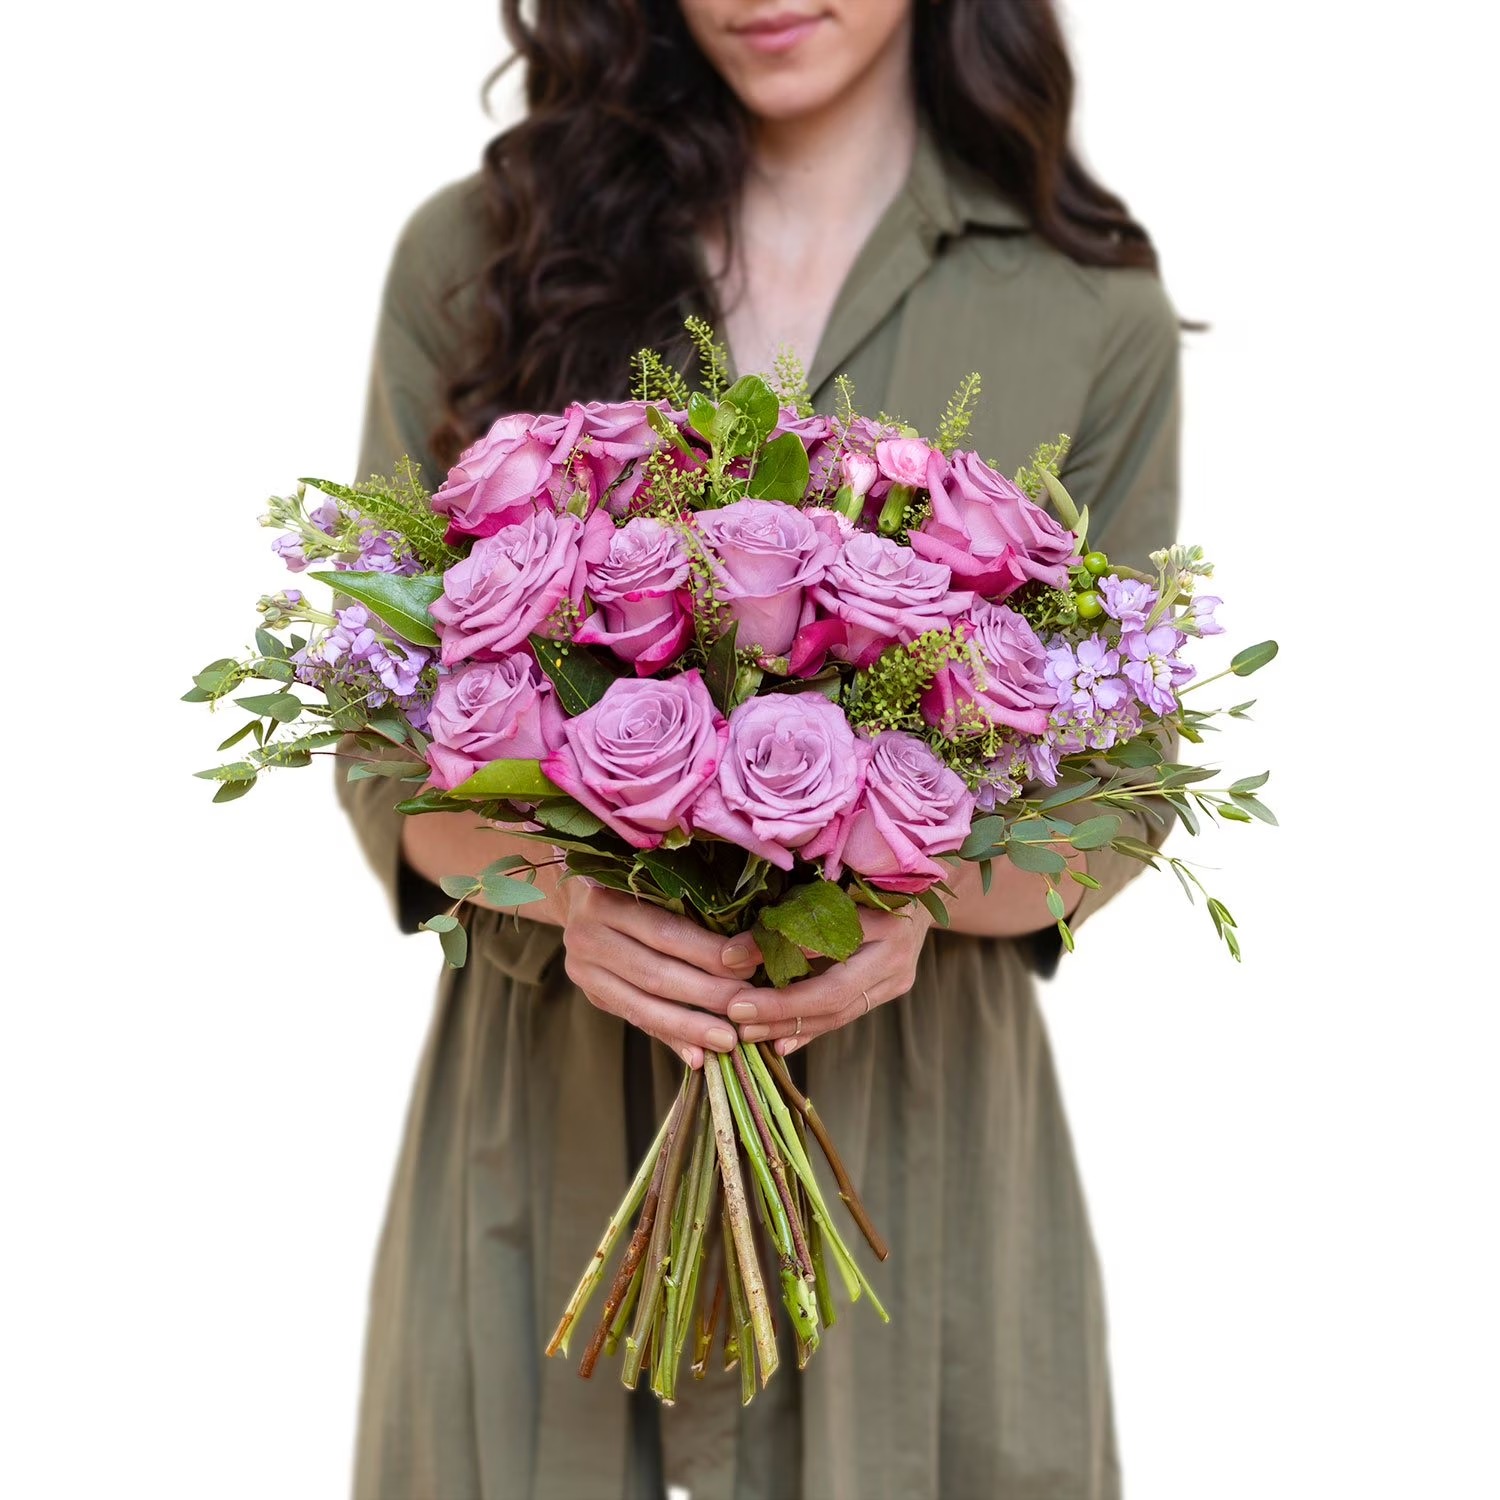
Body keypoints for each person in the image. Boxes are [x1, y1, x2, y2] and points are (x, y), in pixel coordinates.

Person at [339, 1, 1179, 1495]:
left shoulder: (1085, 309)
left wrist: (914, 884)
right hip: (545, 1141)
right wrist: (564, 888)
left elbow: (1119, 788)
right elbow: (381, 744)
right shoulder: (477, 253)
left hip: (915, 1157)